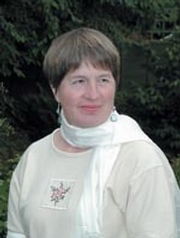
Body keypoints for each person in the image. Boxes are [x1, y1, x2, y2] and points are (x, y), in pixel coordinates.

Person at [7, 27, 180, 238]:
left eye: (103, 80)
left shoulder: (139, 159)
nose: (93, 94)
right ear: (55, 90)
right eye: (79, 81)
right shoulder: (34, 156)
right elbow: (17, 233)